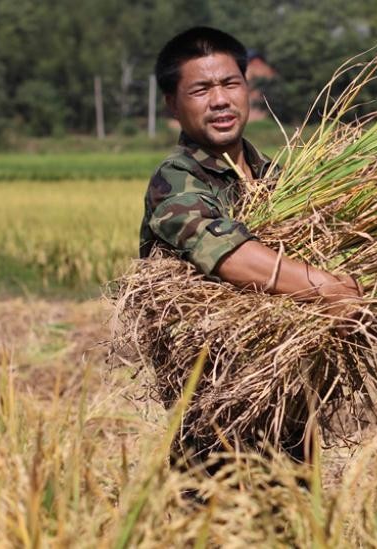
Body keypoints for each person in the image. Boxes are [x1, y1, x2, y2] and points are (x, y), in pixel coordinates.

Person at [139, 26, 363, 470]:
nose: (219, 100)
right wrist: (327, 289)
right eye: (200, 90)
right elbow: (226, 252)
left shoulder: (278, 180)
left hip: (293, 408)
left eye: (230, 84)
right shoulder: (176, 181)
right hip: (215, 419)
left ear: (247, 89)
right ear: (172, 104)